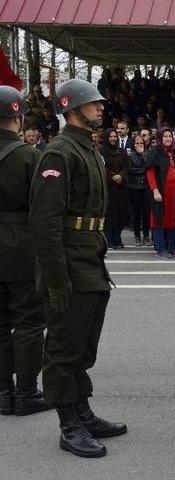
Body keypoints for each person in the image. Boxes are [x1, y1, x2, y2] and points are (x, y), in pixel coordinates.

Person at [29, 79, 127, 458]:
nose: (101, 108)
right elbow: (45, 223)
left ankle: (82, 411)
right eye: (93, 104)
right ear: (73, 109)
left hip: (90, 258)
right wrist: (56, 281)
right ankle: (68, 423)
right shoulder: (59, 153)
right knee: (64, 347)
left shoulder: (87, 148)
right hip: (69, 263)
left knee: (84, 343)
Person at [0, 86, 50, 417]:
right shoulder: (29, 155)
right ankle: (27, 392)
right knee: (30, 319)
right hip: (20, 243)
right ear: (17, 118)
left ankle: (3, 392)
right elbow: (42, 207)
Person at [146, 128, 175, 259]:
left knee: (173, 219)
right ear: (160, 138)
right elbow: (150, 172)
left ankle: (173, 247)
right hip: (160, 192)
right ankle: (160, 249)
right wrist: (155, 190)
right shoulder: (155, 152)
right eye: (165, 136)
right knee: (158, 219)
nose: (168, 139)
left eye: (170, 136)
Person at [100, 129, 130, 249]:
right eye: (110, 136)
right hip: (109, 188)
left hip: (121, 187)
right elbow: (102, 167)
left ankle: (117, 238)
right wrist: (112, 176)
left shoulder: (121, 151)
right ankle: (109, 239)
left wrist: (121, 176)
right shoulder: (102, 152)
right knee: (110, 214)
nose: (113, 138)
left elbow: (126, 166)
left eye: (114, 136)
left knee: (120, 212)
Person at [127, 134, 151, 246]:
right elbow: (130, 170)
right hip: (134, 186)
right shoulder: (130, 155)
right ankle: (137, 236)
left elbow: (149, 166)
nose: (139, 145)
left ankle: (146, 235)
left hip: (146, 186)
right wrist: (142, 170)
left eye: (141, 143)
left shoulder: (147, 154)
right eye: (137, 143)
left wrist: (142, 154)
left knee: (146, 212)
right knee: (136, 213)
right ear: (133, 144)